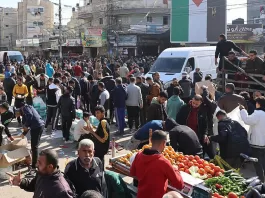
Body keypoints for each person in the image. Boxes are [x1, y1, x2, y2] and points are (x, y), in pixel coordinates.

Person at [130, 130, 184, 198]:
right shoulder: (163, 162)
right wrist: (175, 169)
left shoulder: (138, 156)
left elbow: (132, 174)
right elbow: (179, 185)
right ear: (164, 143)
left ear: (151, 140)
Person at [9, 149, 75, 198]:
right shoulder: (42, 173)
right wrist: (21, 182)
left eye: (39, 163)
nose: (36, 165)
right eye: (37, 162)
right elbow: (33, 185)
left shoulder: (62, 191)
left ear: (50, 166)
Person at [240, 97, 265, 182]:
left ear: (258, 104)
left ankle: (261, 182)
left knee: (258, 164)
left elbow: (247, 120)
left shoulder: (258, 113)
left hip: (257, 143)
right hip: (263, 143)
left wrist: (242, 110)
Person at [16, 103, 45, 176]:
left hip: (37, 126)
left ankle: (34, 167)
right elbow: (26, 126)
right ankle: (36, 163)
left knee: (34, 147)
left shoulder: (25, 108)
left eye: (16, 115)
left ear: (18, 111)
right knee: (34, 146)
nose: (17, 116)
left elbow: (30, 116)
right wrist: (23, 134)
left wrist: (26, 125)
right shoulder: (25, 112)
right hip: (37, 126)